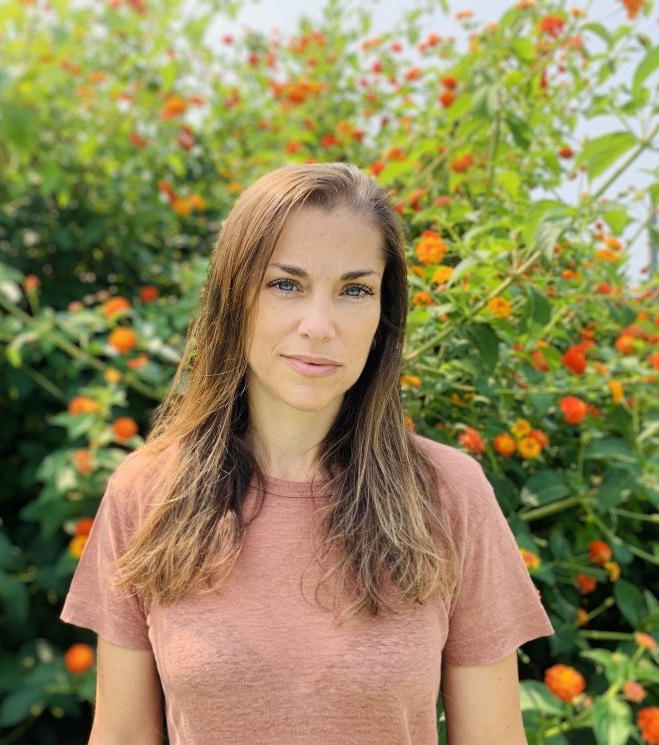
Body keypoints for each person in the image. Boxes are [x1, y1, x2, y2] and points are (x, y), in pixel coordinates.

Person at [60, 162, 554, 745]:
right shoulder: (147, 493)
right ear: (234, 298)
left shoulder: (451, 494)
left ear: (383, 316)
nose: (319, 326)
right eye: (286, 284)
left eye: (355, 290)